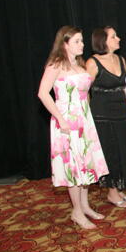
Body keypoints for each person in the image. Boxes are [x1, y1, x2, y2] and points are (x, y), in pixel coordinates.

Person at [37, 25, 109, 229]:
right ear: (65, 44)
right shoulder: (55, 64)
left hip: (84, 119)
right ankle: (76, 211)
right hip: (67, 121)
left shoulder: (79, 64)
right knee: (73, 167)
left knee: (85, 163)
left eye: (82, 40)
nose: (82, 44)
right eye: (77, 41)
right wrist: (61, 119)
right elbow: (43, 93)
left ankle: (85, 206)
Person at [86, 26, 126, 208]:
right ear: (103, 41)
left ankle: (119, 187)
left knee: (122, 150)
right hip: (102, 116)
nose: (118, 39)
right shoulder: (92, 63)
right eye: (114, 36)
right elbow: (84, 91)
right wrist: (87, 116)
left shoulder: (121, 59)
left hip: (122, 113)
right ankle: (112, 192)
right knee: (110, 153)